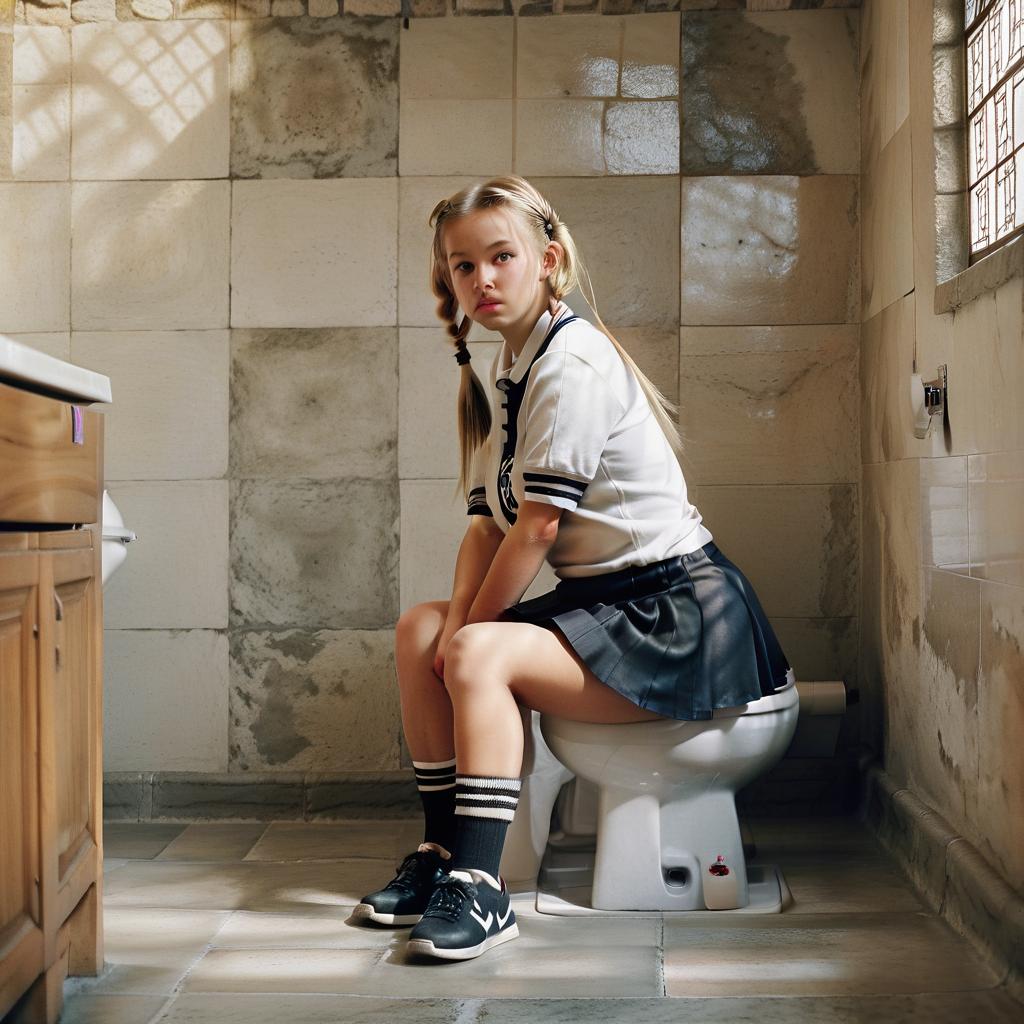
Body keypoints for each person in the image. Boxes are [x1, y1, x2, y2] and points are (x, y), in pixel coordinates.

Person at [350, 175, 792, 961]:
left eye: (500, 256)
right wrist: (453, 629)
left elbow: (538, 529)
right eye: (462, 265)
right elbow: (488, 527)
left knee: (472, 649)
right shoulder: (517, 369)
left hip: (677, 616)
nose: (481, 279)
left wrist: (471, 641)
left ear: (547, 260)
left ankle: (484, 892)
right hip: (611, 607)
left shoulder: (572, 362)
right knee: (423, 629)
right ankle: (445, 855)